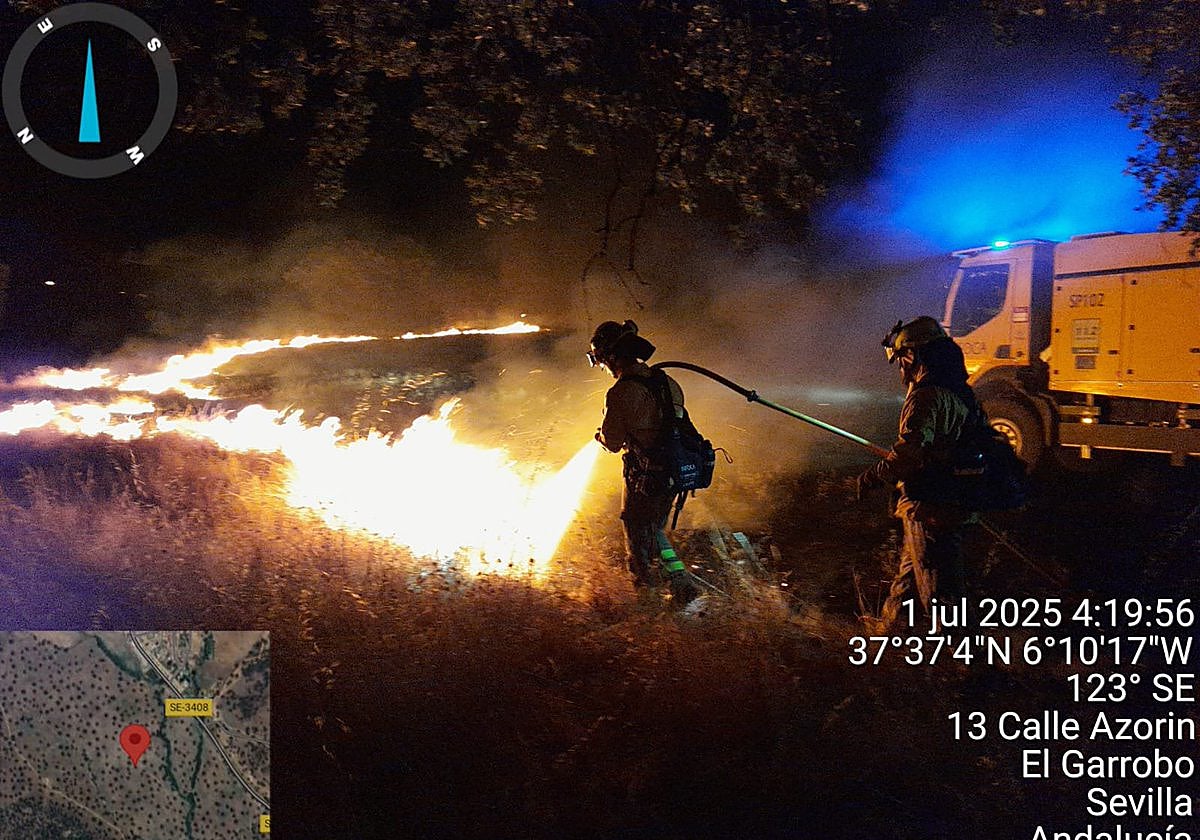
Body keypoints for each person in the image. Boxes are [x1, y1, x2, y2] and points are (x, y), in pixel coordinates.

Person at [856, 316, 979, 630]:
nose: (900, 369)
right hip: (954, 501)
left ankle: (958, 663)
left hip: (929, 506)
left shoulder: (925, 396)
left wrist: (872, 477)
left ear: (912, 356)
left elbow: (908, 455)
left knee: (939, 590)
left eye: (900, 360)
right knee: (910, 573)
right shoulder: (964, 393)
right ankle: (887, 630)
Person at [588, 319, 700, 605]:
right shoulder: (665, 381)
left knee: (638, 539)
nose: (603, 367)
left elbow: (612, 443)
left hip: (647, 479)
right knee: (654, 530)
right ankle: (680, 583)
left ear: (611, 357)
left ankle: (651, 602)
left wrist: (599, 436)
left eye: (601, 360)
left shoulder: (622, 391)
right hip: (674, 474)